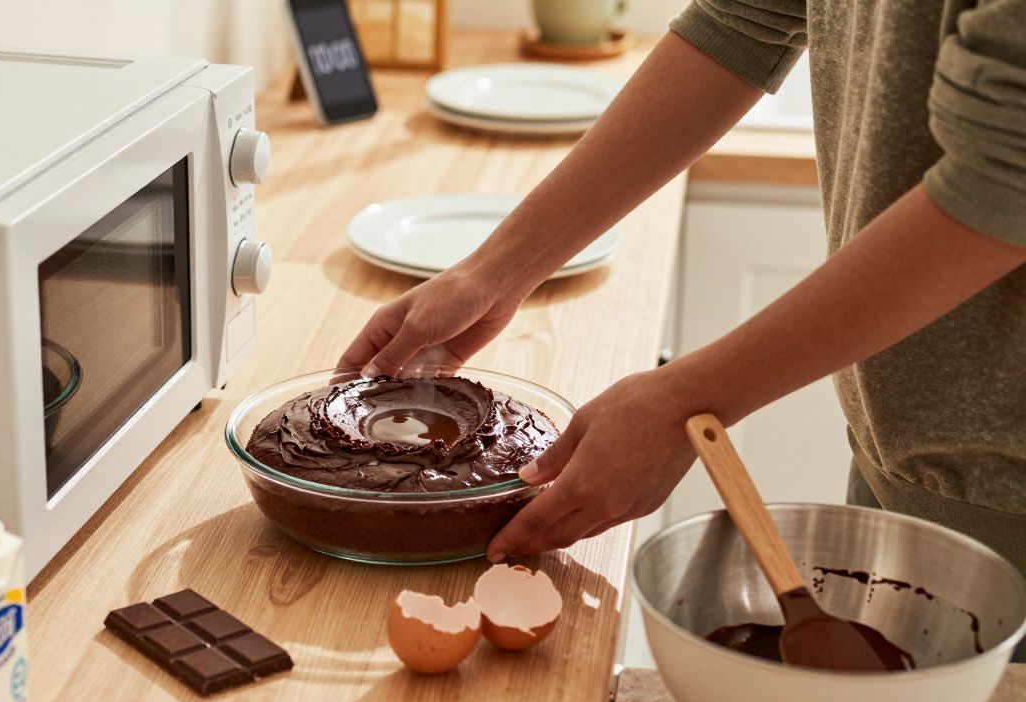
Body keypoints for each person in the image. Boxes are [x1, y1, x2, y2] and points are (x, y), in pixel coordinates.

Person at [338, 1, 1026, 572]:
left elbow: (1003, 179)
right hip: (903, 462)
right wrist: (492, 272)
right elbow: (745, 20)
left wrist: (689, 399)